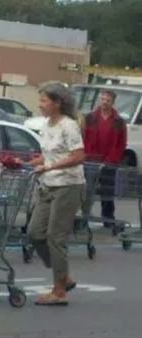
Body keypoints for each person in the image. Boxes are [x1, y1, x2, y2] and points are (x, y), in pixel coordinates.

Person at [21, 82, 86, 306]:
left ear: (58, 102)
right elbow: (47, 155)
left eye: (44, 101)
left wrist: (50, 167)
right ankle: (63, 275)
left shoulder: (69, 126)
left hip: (68, 186)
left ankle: (59, 291)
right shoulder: (47, 125)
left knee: (54, 237)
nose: (40, 105)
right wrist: (26, 163)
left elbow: (78, 156)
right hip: (47, 185)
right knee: (34, 233)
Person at [82, 90, 127, 231]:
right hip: (91, 160)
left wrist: (111, 160)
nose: (104, 102)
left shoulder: (119, 121)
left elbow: (121, 143)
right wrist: (88, 156)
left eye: (107, 100)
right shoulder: (90, 118)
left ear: (112, 102)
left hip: (109, 163)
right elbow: (84, 138)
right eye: (102, 99)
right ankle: (84, 217)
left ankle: (108, 218)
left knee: (107, 192)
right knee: (87, 190)